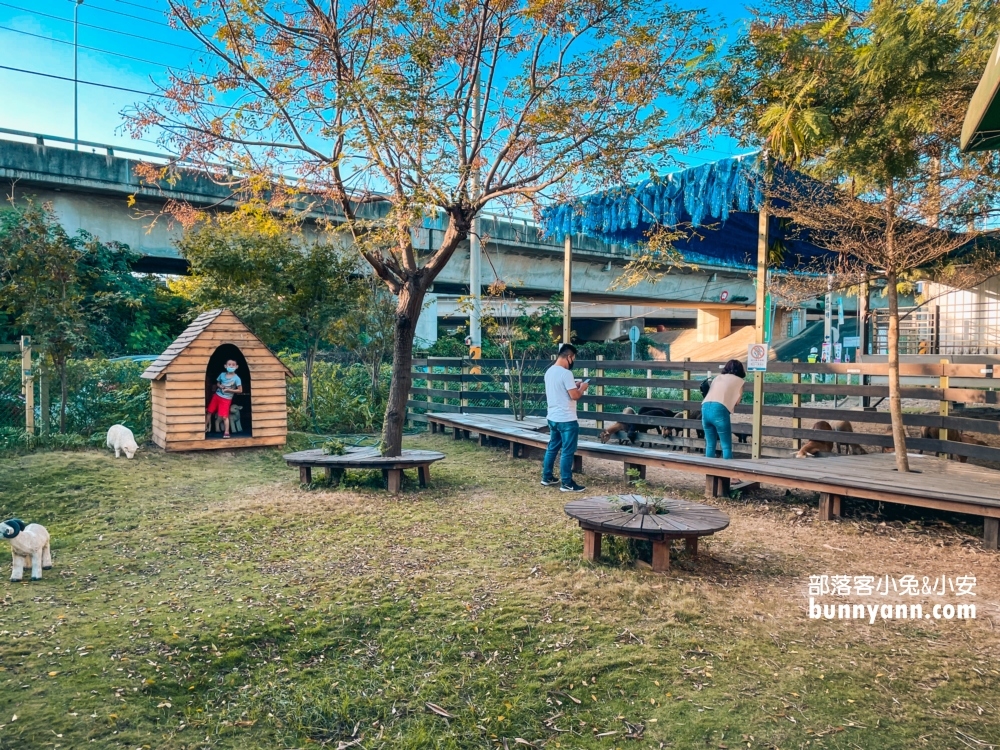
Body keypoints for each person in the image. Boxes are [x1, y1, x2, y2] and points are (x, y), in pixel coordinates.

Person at [541, 343, 589, 492]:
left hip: (552, 417)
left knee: (552, 448)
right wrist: (582, 388)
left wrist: (574, 385)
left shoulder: (549, 371)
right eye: (573, 358)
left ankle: (547, 477)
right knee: (567, 451)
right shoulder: (566, 373)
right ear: (569, 357)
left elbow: (560, 389)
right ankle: (567, 483)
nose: (573, 361)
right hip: (567, 419)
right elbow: (574, 396)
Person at [701, 358, 746, 459]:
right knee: (726, 446)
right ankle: (726, 472)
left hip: (705, 407)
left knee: (710, 444)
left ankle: (709, 471)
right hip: (719, 409)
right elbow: (737, 402)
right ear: (740, 370)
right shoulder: (740, 381)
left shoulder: (718, 377)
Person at [205, 359, 243, 438]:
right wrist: (220, 386)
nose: (231, 366)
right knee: (209, 411)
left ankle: (226, 432)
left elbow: (240, 390)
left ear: (237, 367)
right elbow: (218, 383)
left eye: (233, 365)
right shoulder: (222, 374)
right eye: (229, 364)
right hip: (217, 396)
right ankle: (204, 427)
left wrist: (229, 390)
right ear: (225, 366)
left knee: (225, 416)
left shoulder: (237, 378)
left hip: (226, 399)